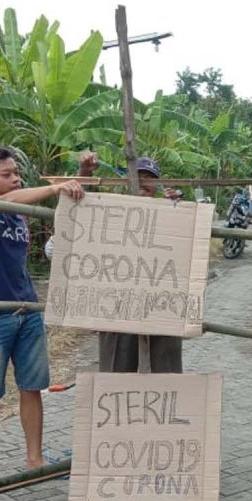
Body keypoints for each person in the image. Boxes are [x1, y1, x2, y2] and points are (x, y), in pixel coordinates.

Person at [0, 145, 84, 489]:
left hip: (27, 310)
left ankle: (35, 459)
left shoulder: (19, 213)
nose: (15, 178)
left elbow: (66, 202)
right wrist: (54, 188)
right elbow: (17, 200)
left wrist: (78, 179)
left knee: (32, 387)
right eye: (6, 174)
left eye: (16, 173)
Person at [76, 151, 183, 373]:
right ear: (126, 181)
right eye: (138, 176)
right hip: (116, 303)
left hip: (161, 301)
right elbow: (79, 206)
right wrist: (84, 172)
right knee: (117, 368)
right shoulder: (110, 211)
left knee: (166, 368)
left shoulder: (169, 210)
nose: (142, 183)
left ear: (158, 184)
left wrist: (178, 208)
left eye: (149, 178)